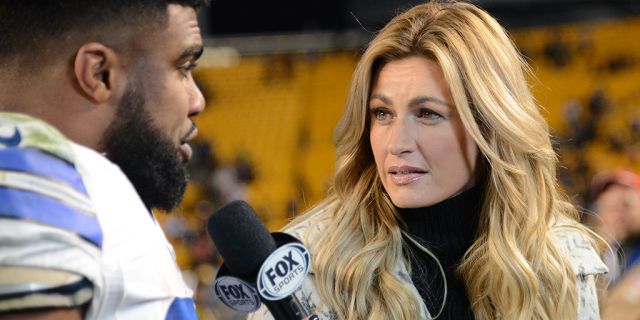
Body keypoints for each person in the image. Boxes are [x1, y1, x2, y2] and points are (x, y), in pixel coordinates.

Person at [249, 1, 607, 319]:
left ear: (491, 125)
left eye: (427, 114)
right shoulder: (303, 269)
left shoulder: (561, 260)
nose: (396, 144)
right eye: (382, 113)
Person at [0, 1, 207, 319]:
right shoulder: (29, 179)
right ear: (99, 73)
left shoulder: (89, 182)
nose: (197, 101)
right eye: (183, 67)